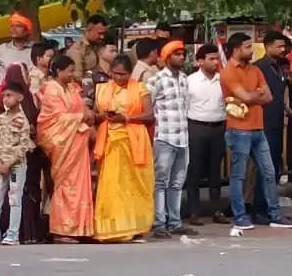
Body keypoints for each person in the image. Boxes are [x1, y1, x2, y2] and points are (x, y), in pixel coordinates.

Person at [220, 32, 292, 229]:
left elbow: (269, 96)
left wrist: (253, 96)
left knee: (270, 172)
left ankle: (274, 214)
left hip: (258, 128)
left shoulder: (255, 70)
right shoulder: (229, 71)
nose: (251, 50)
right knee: (239, 175)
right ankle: (240, 216)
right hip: (239, 129)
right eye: (247, 47)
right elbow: (244, 97)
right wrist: (256, 94)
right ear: (237, 50)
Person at [91, 54, 154, 241]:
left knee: (135, 185)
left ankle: (136, 227)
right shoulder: (102, 89)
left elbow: (149, 115)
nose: (119, 78)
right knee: (112, 185)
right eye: (116, 74)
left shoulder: (140, 88)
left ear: (130, 73)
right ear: (110, 72)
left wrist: (126, 118)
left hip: (134, 141)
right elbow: (95, 116)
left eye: (123, 74)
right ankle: (112, 228)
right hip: (110, 141)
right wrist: (104, 116)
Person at [37, 54, 95, 240]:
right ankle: (62, 230)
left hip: (77, 142)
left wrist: (86, 114)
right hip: (63, 144)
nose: (73, 74)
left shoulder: (72, 88)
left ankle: (80, 228)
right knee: (66, 185)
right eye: (69, 71)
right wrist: (81, 118)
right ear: (59, 71)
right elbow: (54, 120)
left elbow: (81, 110)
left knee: (80, 185)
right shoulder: (51, 90)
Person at [0, 81, 35, 245]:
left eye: (9, 96)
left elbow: (24, 145)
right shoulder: (0, 119)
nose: (6, 99)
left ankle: (12, 234)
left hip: (16, 165)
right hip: (0, 165)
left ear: (20, 97)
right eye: (4, 96)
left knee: (14, 199)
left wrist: (8, 163)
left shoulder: (22, 120)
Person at [0, 63, 50, 243]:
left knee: (17, 193)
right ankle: (23, 232)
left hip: (20, 154)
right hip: (20, 154)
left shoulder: (28, 98)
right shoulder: (19, 101)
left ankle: (18, 232)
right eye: (25, 73)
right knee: (17, 193)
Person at [150, 40, 191, 238]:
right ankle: (159, 223)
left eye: (183, 54)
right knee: (161, 182)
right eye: (177, 54)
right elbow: (147, 107)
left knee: (177, 183)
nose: (181, 57)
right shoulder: (156, 79)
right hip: (164, 137)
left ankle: (175, 222)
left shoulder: (184, 79)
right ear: (167, 57)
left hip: (183, 137)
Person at [186, 43, 229, 224]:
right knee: (194, 170)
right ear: (200, 61)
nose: (215, 62)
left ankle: (217, 210)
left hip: (218, 126)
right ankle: (194, 212)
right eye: (210, 59)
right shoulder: (190, 81)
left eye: (216, 58)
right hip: (196, 126)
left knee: (215, 170)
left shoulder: (223, 79)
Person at [254, 31, 289, 221]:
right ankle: (260, 210)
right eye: (278, 46)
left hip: (277, 123)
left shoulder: (281, 67)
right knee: (265, 169)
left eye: (284, 46)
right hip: (263, 123)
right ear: (267, 46)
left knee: (275, 167)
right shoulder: (258, 68)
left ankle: (269, 207)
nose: (282, 49)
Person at [0, 13, 34, 85]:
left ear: (27, 31)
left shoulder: (34, 48)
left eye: (18, 26)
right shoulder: (3, 48)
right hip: (4, 91)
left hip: (26, 92)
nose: (14, 29)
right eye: (12, 26)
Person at [67, 14, 108, 82]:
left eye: (104, 34)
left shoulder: (97, 46)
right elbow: (78, 78)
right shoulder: (77, 50)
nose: (102, 37)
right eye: (99, 33)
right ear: (89, 29)